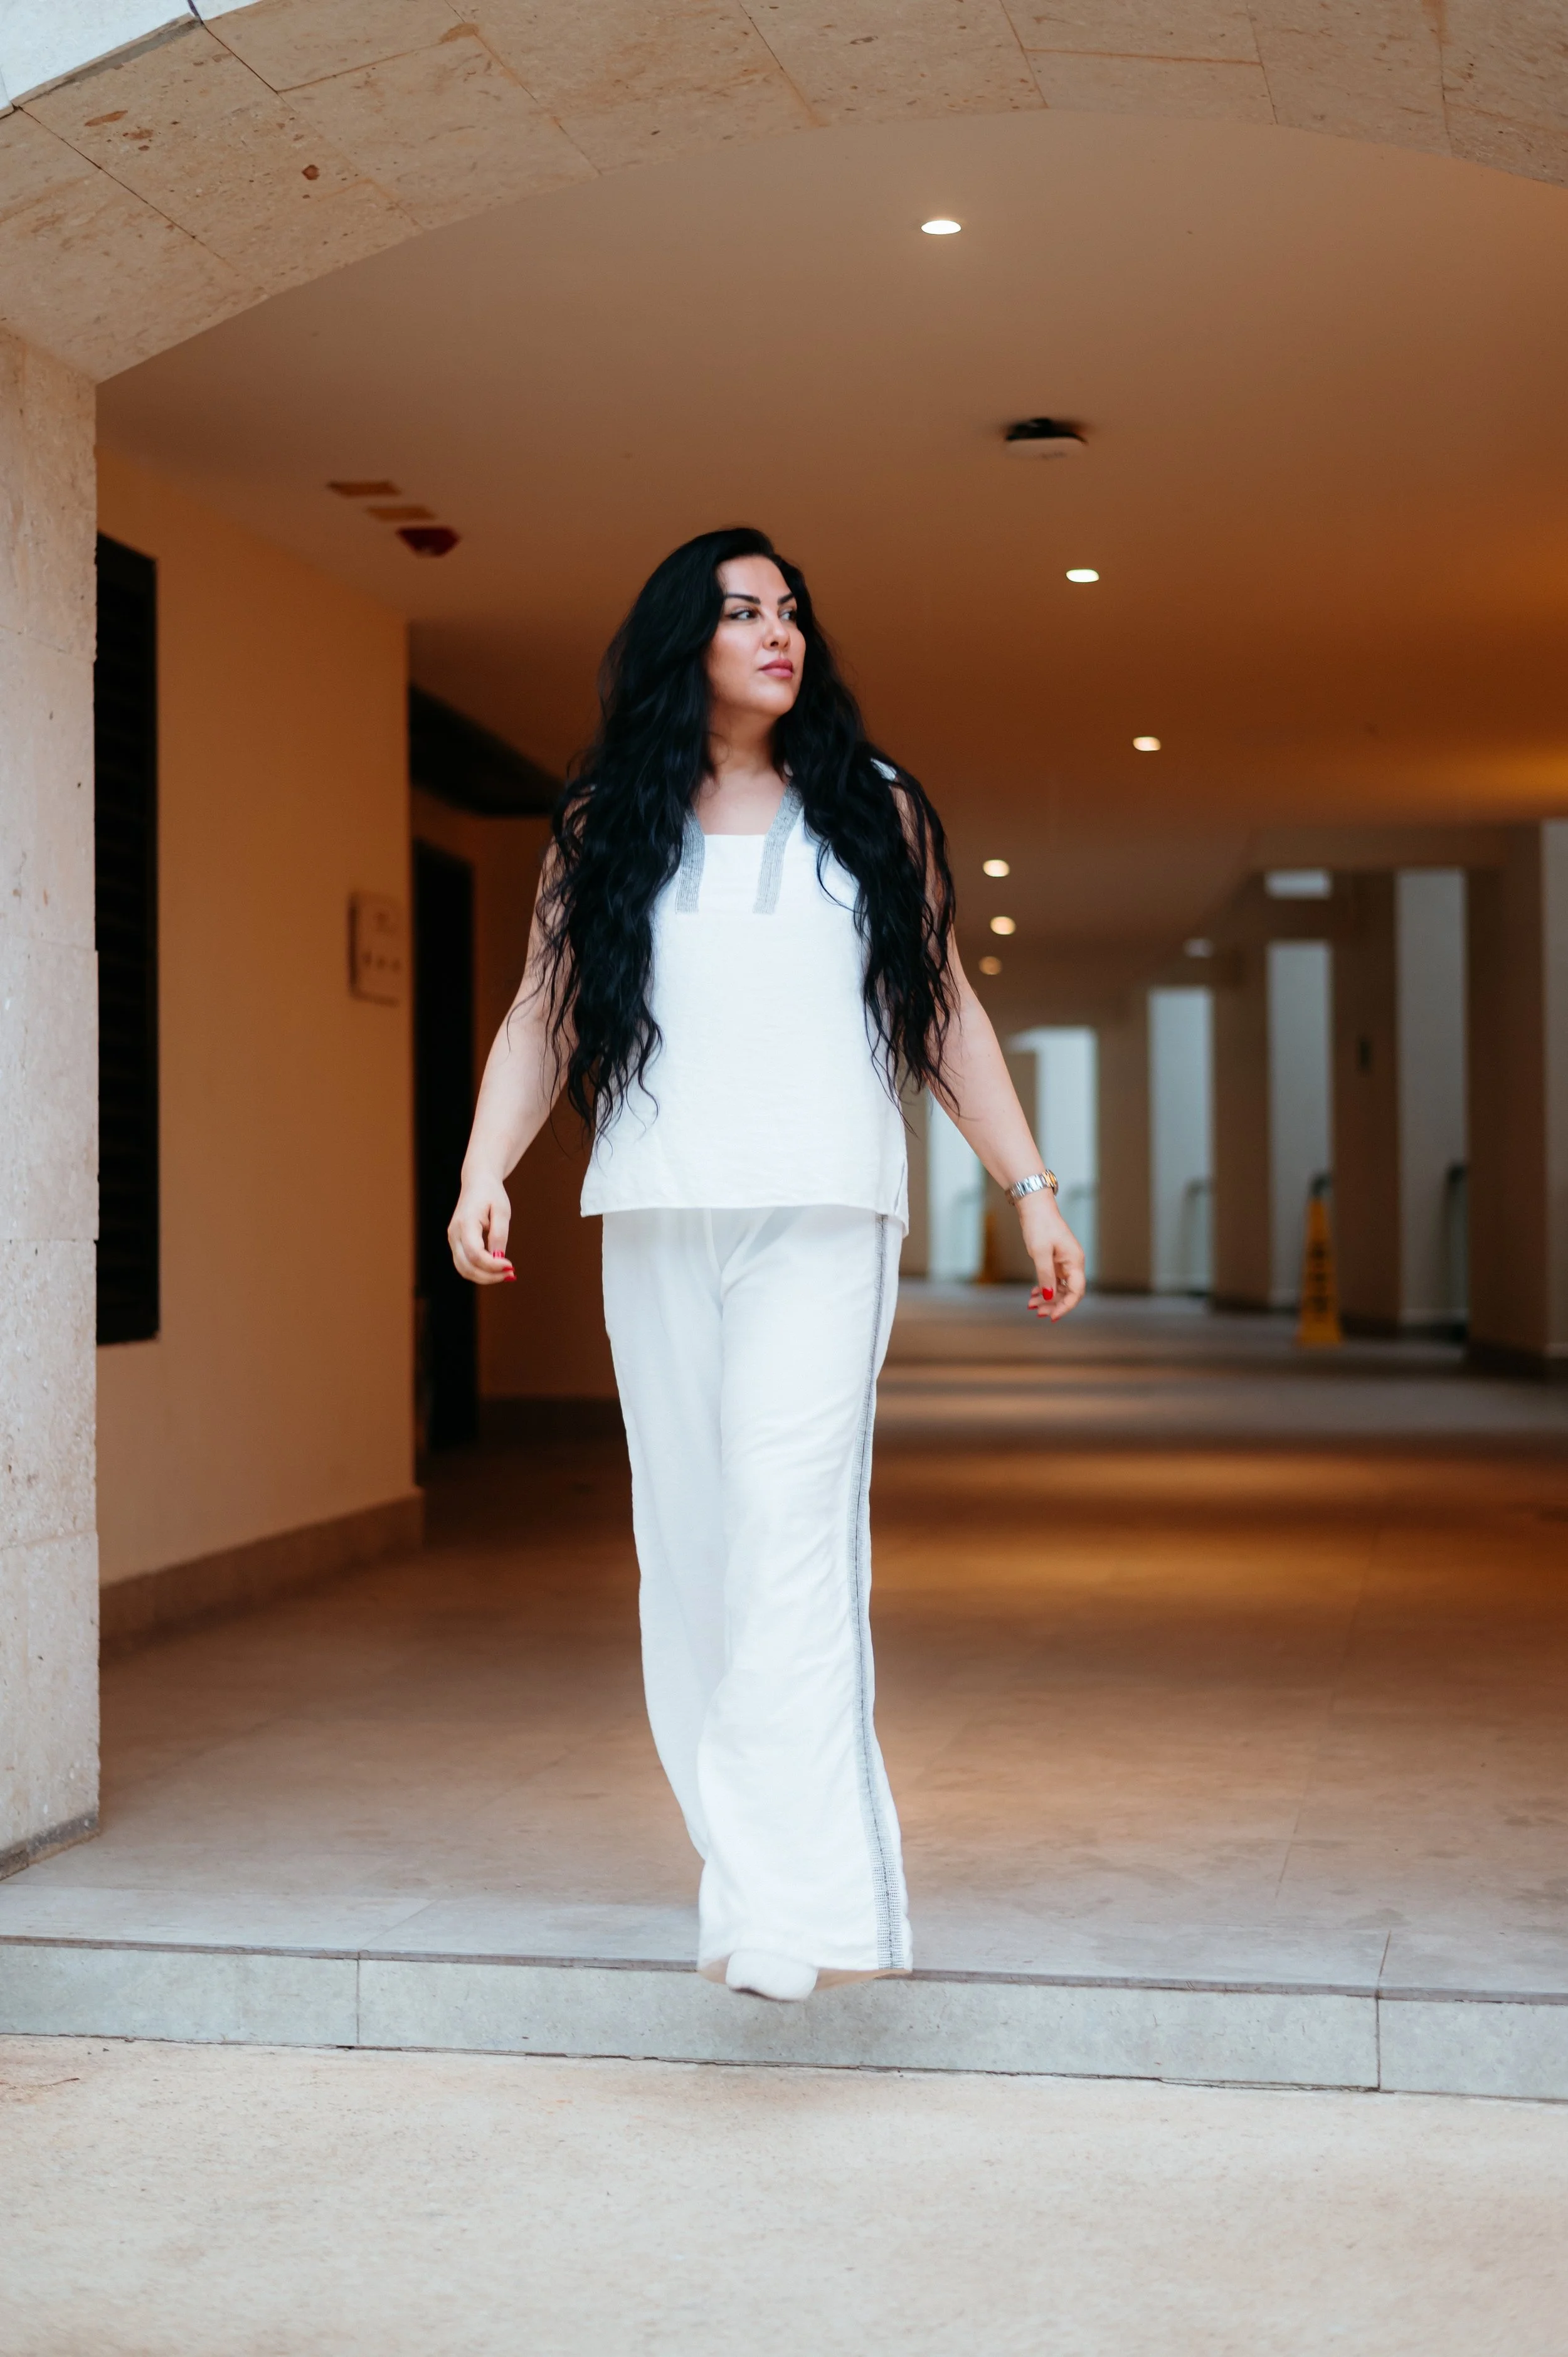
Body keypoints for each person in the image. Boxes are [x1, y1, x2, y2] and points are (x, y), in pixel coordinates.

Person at [447, 526, 1085, 2003]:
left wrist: (1028, 1188)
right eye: (742, 612)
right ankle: (741, 1878)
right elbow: (542, 1016)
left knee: (790, 1539)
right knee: (692, 1560)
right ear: (687, 642)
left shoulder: (871, 811)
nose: (777, 632)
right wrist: (483, 1172)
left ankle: (805, 1904)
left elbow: (944, 1015)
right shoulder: (610, 821)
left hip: (821, 1216)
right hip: (660, 1212)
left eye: (789, 609)